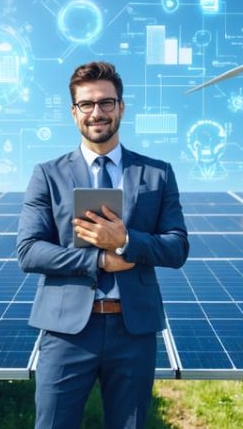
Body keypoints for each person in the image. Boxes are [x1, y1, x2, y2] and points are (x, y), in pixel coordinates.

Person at [16, 61, 189, 428]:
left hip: (134, 331)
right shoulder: (47, 174)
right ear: (74, 112)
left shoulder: (157, 174)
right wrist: (99, 260)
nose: (97, 113)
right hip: (66, 332)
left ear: (121, 107)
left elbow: (177, 247)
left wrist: (126, 240)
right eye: (87, 104)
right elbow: (29, 250)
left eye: (106, 103)